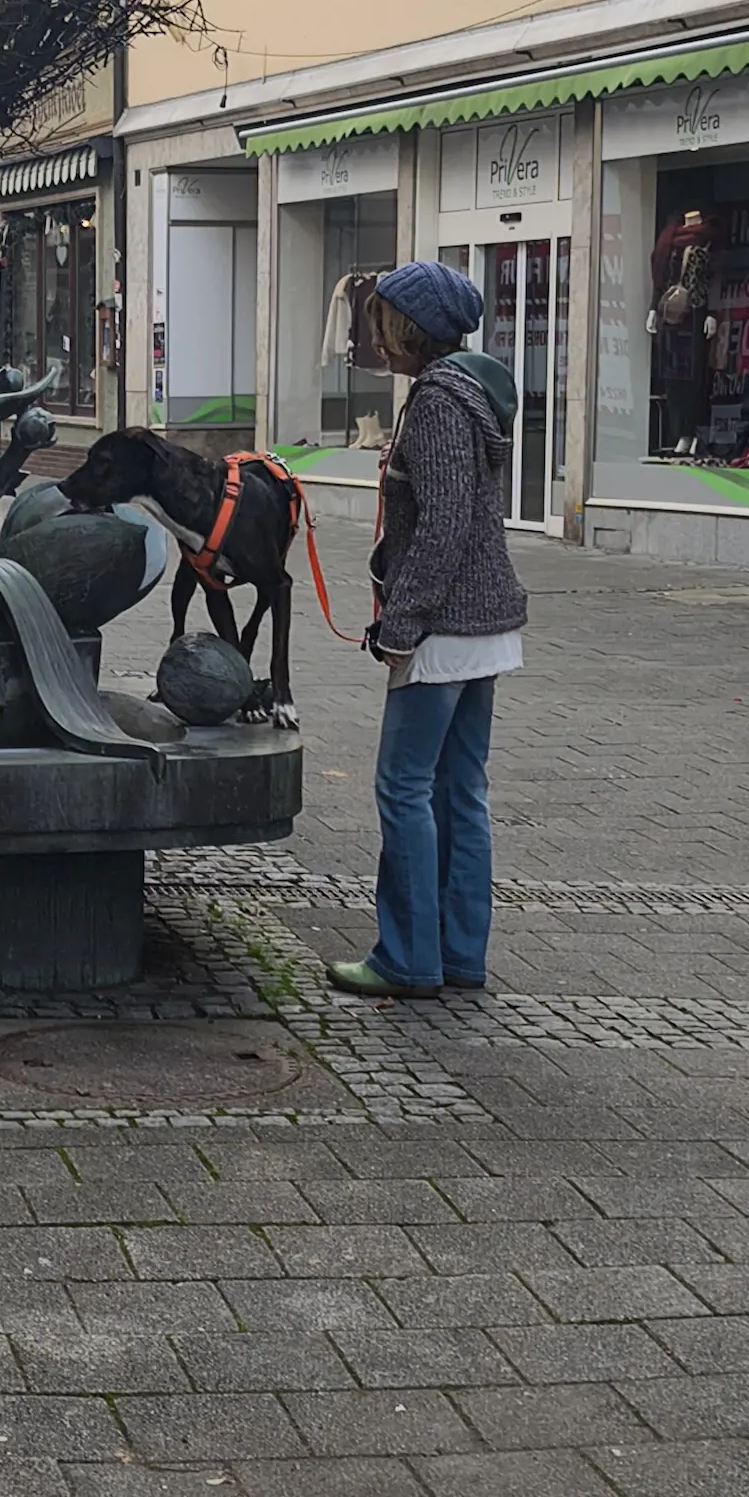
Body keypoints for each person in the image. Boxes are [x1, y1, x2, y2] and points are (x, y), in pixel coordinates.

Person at [327, 260, 527, 1000]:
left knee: (403, 786)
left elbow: (442, 525)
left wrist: (401, 624)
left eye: (381, 323)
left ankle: (406, 957)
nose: (375, 339)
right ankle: (459, 953)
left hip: (444, 627)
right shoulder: (470, 393)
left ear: (409, 328)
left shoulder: (439, 402)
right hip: (484, 622)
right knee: (459, 788)